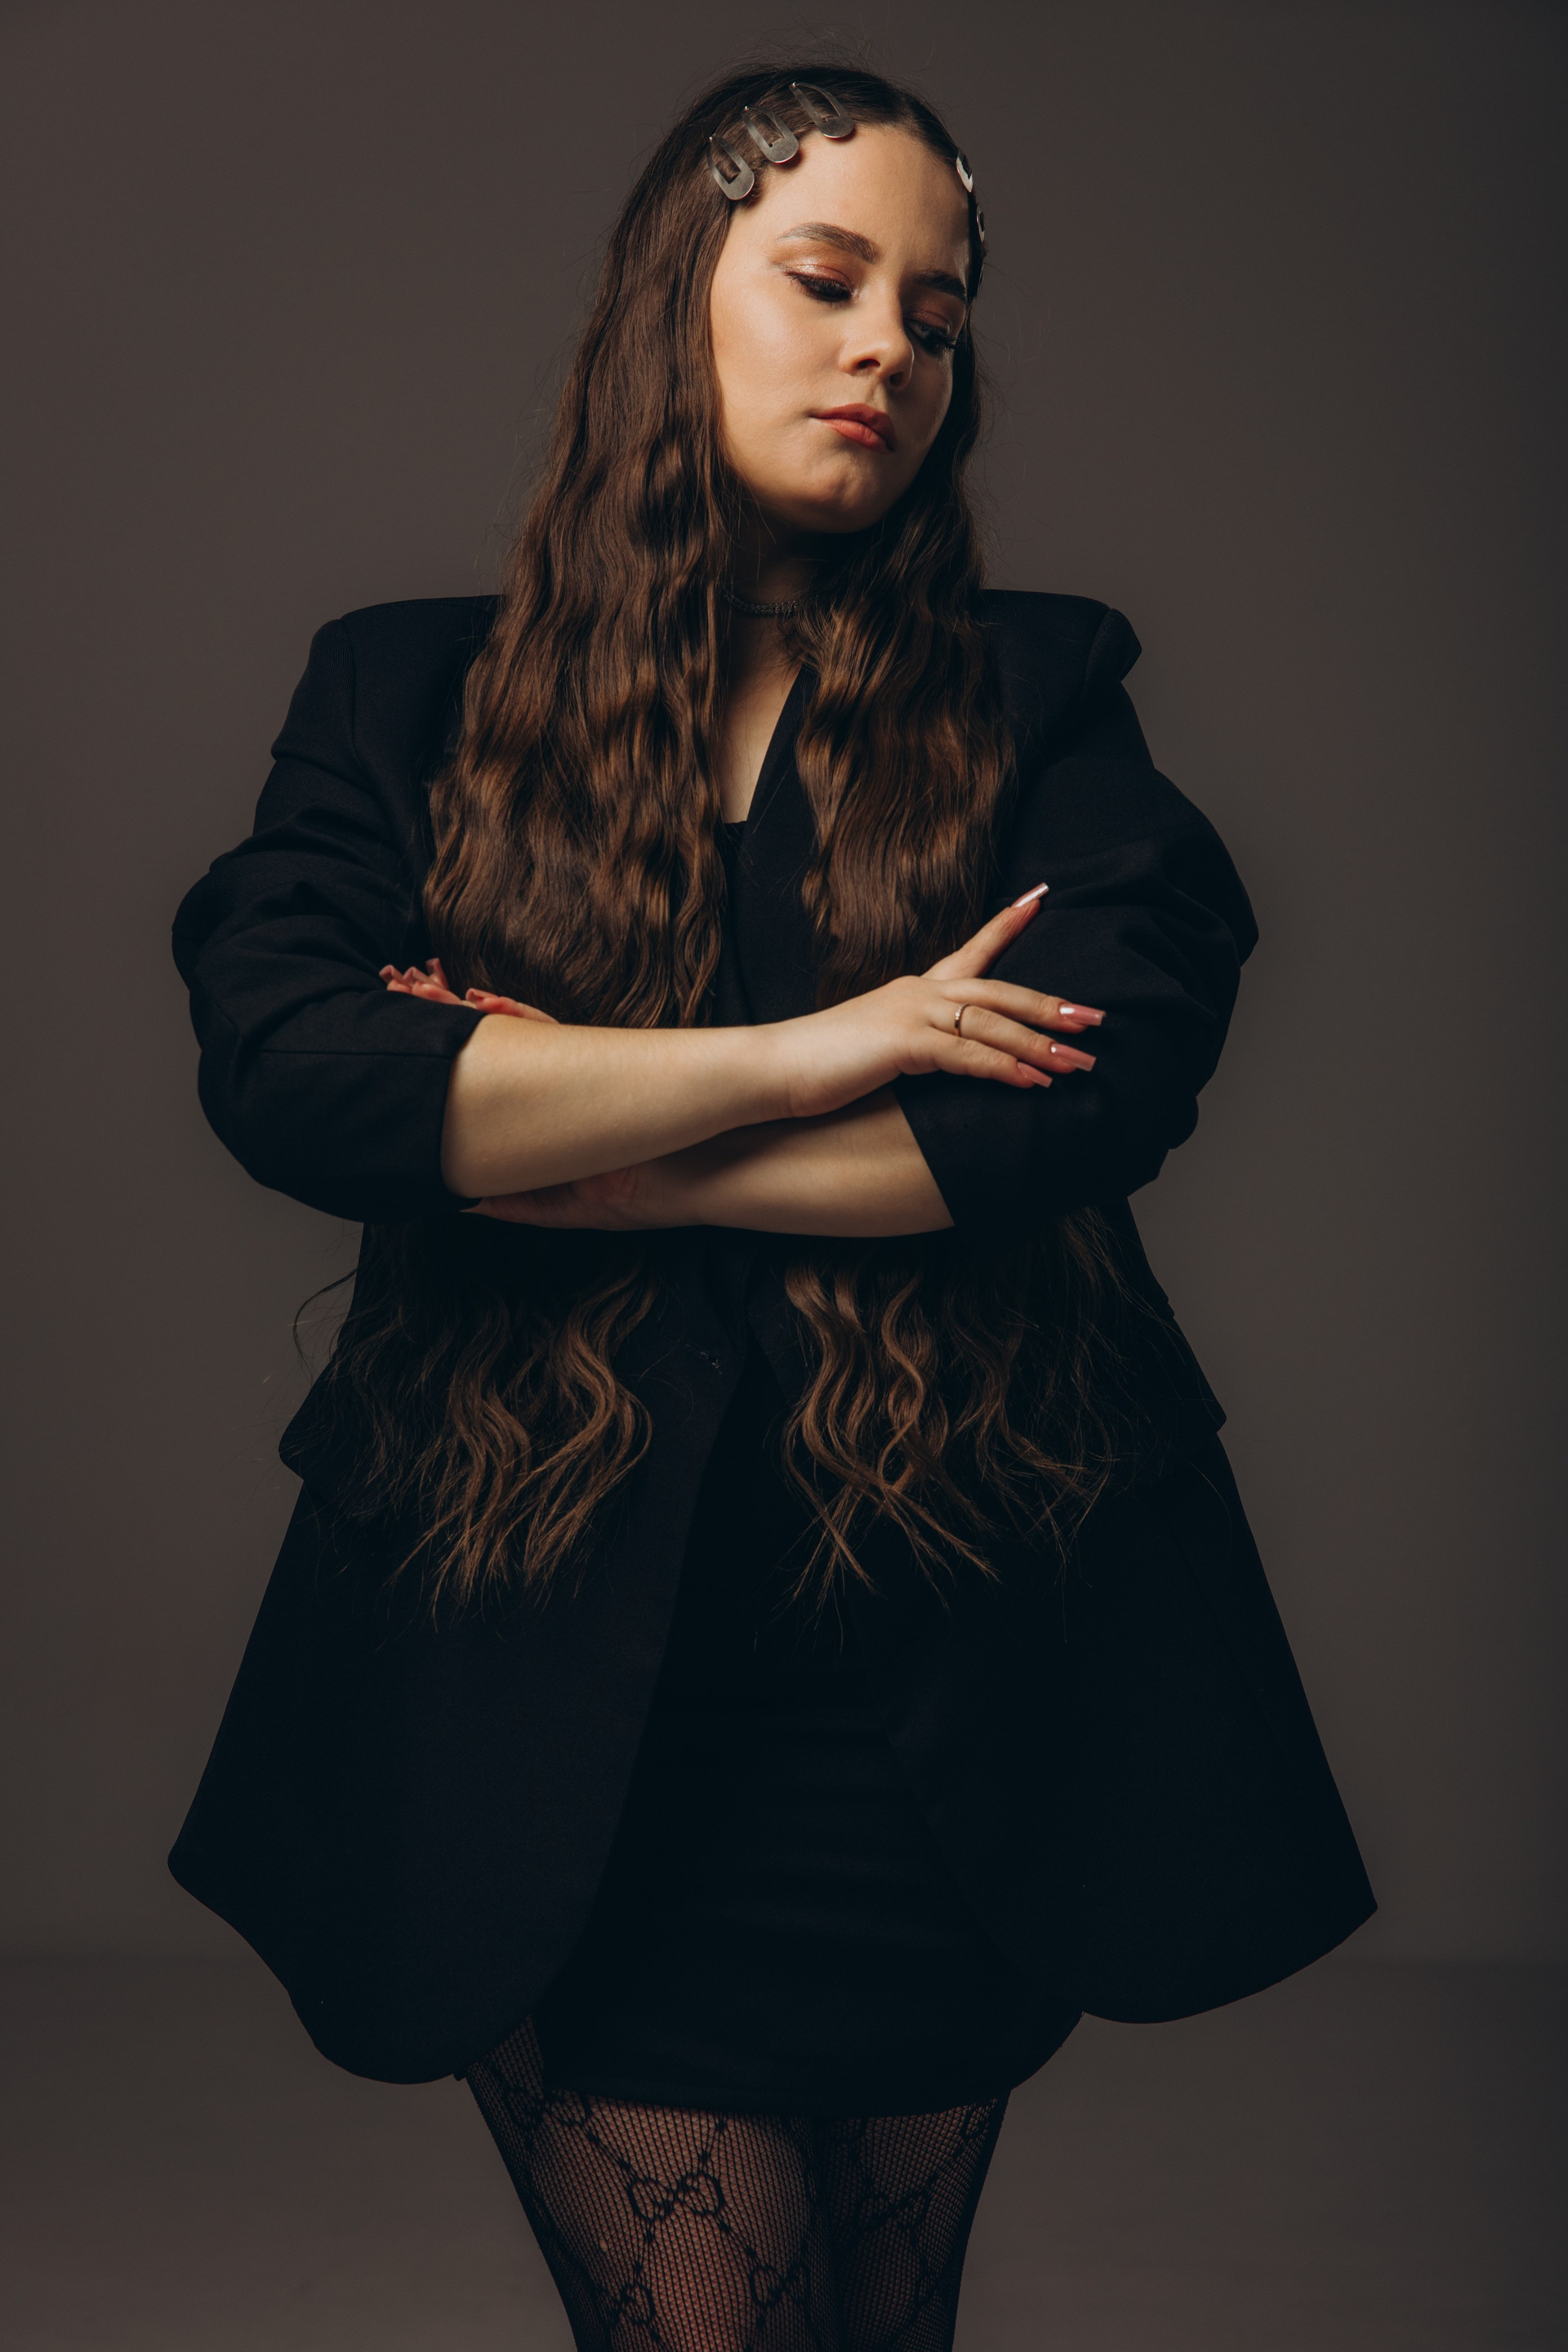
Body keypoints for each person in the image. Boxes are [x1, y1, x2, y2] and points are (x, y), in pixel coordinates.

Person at [169, 63, 1374, 2352]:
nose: (888, 351)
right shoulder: (404, 694)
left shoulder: (1044, 695)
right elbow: (300, 1071)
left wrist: (543, 1123)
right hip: (554, 1697)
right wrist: (827, 1052)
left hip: (941, 1692)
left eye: (939, 314)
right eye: (828, 280)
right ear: (673, 300)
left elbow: (1068, 1107)